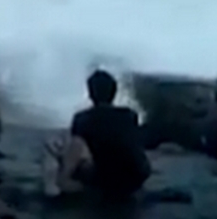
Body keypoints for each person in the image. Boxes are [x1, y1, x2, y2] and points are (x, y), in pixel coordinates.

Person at [49, 70, 150, 199]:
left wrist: (63, 176)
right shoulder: (130, 115)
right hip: (138, 175)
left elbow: (76, 148)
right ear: (114, 92)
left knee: (72, 162)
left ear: (90, 94)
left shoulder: (82, 118)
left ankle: (87, 192)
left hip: (108, 179)